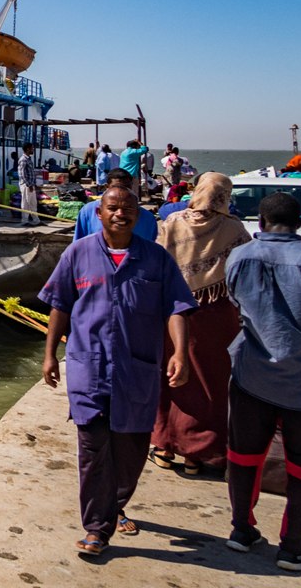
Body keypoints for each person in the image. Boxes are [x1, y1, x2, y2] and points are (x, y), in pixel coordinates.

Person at [40, 187, 195, 557]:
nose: (120, 214)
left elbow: (176, 306)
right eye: (113, 208)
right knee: (92, 449)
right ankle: (96, 528)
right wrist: (48, 355)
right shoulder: (77, 254)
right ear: (99, 213)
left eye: (128, 208)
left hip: (136, 368)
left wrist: (181, 354)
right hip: (87, 368)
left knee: (130, 452)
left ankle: (114, 504)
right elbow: (60, 305)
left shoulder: (156, 259)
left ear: (139, 215)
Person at [223, 192, 301, 570]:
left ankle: (242, 530)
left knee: (243, 456)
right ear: (299, 225)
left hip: (250, 374)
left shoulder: (239, 257)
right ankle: (293, 547)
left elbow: (237, 305)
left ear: (260, 223)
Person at [150, 173, 251, 475]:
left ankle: (163, 444)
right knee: (210, 380)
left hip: (171, 310)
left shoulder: (172, 223)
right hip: (215, 313)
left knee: (168, 374)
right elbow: (245, 270)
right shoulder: (233, 228)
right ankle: (197, 453)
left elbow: (157, 262)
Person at [74, 170, 158, 241]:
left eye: (126, 187)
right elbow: (77, 245)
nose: (120, 192)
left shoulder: (148, 218)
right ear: (107, 187)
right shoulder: (88, 211)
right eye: (116, 187)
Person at [18, 143, 40, 226]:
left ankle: (36, 220)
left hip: (31, 185)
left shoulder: (28, 159)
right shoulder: (23, 160)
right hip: (26, 185)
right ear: (27, 149)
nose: (33, 150)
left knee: (33, 203)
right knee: (25, 203)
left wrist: (34, 184)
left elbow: (30, 173)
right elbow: (22, 174)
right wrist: (29, 185)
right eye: (32, 148)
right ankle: (24, 221)